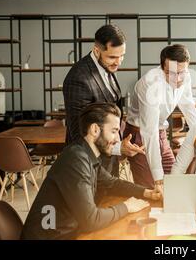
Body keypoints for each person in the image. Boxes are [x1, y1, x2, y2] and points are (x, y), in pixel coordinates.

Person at [21, 103, 161, 240]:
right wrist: (127, 206)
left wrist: (146, 192)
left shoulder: (85, 154)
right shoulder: (76, 159)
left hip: (69, 233)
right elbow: (91, 220)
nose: (117, 139)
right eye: (113, 131)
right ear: (95, 129)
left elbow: (112, 183)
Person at [63, 24, 144, 177]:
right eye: (112, 57)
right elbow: (79, 133)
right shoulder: (78, 78)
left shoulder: (106, 67)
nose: (118, 62)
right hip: (87, 165)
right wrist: (117, 147)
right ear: (96, 51)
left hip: (107, 163)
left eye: (122, 56)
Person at [124, 44, 196, 191]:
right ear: (161, 67)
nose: (177, 79)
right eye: (170, 73)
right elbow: (149, 131)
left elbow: (189, 107)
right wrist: (158, 178)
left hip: (161, 134)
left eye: (181, 73)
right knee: (151, 189)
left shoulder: (186, 76)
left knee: (174, 184)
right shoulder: (150, 83)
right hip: (140, 135)